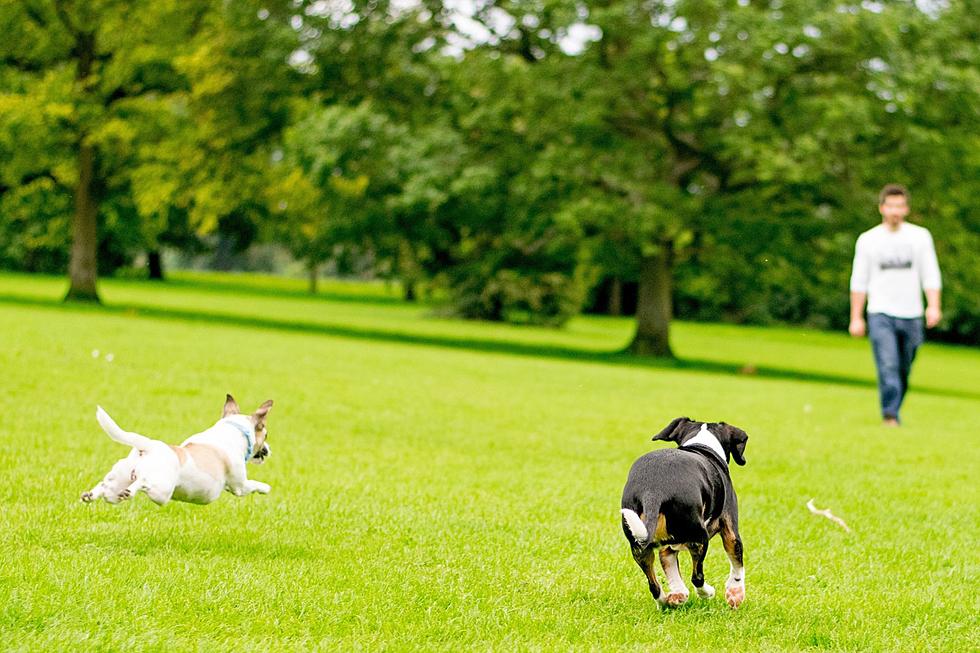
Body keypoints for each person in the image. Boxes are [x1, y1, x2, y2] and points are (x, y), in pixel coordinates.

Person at [848, 184, 942, 426]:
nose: (895, 211)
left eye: (900, 206)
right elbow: (859, 281)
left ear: (907, 209)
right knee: (888, 364)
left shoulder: (920, 237)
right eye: (890, 205)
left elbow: (930, 274)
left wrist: (933, 305)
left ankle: (893, 408)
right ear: (882, 208)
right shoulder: (868, 240)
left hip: (912, 313)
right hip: (880, 312)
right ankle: (890, 415)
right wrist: (856, 317)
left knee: (903, 368)